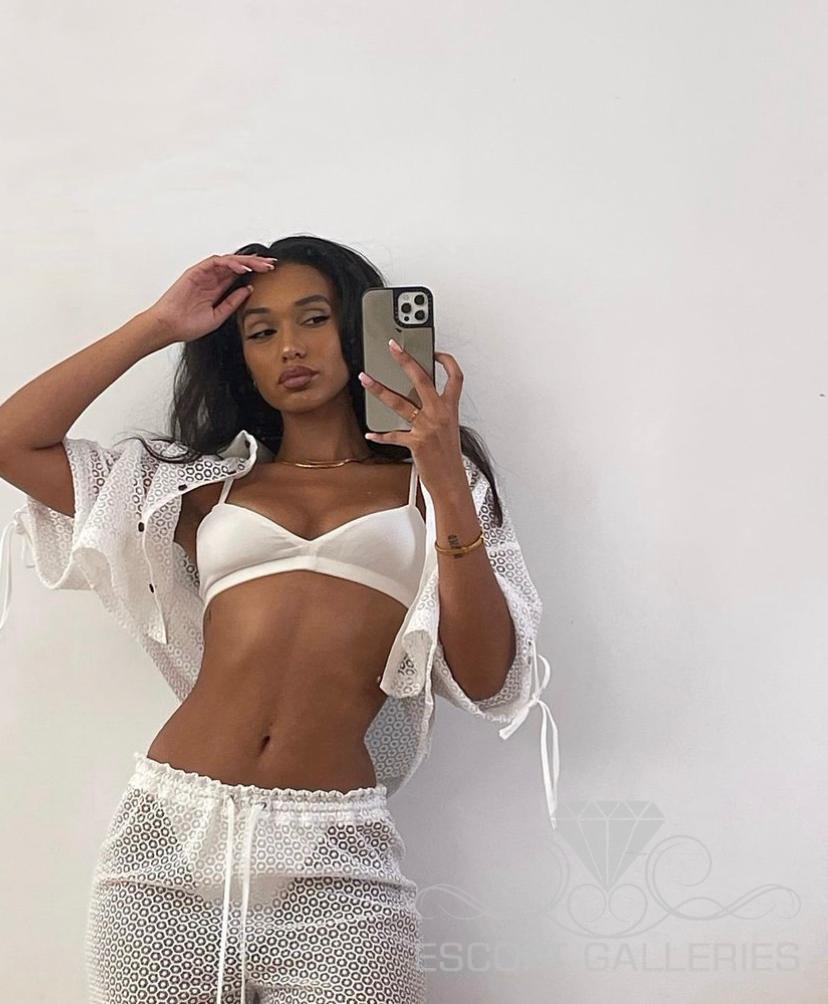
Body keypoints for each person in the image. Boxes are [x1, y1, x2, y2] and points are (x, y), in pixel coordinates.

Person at [0, 235, 558, 1004]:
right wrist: (159, 324)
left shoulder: (433, 489)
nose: (289, 346)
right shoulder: (202, 488)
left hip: (334, 862)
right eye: (261, 332)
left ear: (358, 331)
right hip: (169, 845)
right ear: (243, 360)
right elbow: (12, 441)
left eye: (313, 319)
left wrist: (445, 479)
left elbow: (487, 674)